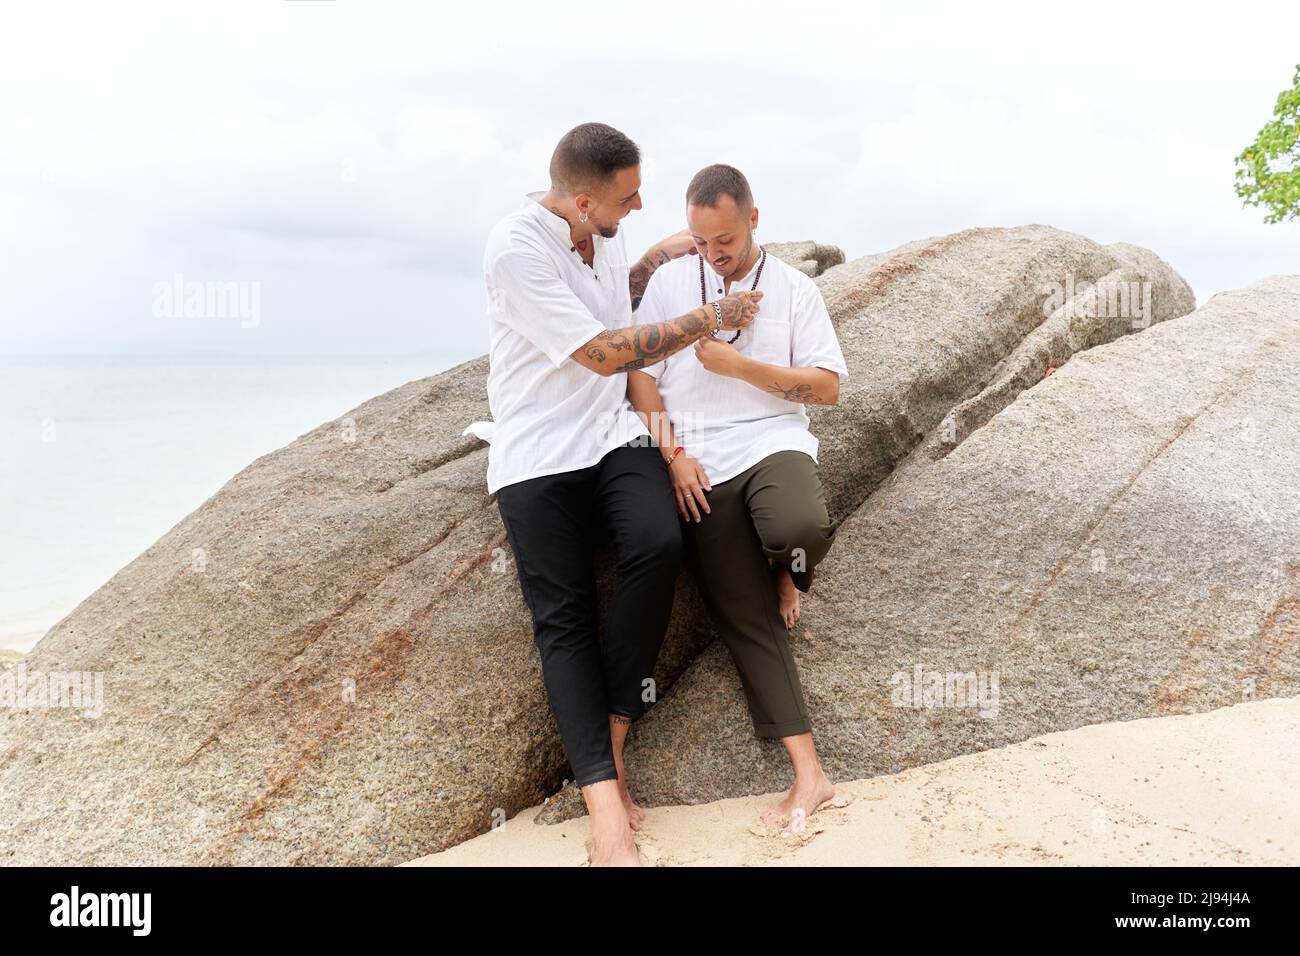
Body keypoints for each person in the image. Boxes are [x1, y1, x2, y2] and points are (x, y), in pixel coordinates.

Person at [483, 125, 764, 865]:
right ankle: (605, 805)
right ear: (582, 201)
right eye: (628, 198)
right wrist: (703, 320)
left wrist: (656, 257)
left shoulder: (600, 235)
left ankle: (610, 730)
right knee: (564, 616)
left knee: (659, 543)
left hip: (612, 433)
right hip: (537, 449)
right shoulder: (516, 249)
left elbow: (614, 297)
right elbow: (605, 350)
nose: (639, 205)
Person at [623, 163, 847, 833]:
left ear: (753, 219)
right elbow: (640, 379)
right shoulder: (670, 283)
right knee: (743, 615)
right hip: (699, 461)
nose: (712, 254)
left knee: (800, 525)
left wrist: (739, 365)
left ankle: (788, 566)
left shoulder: (793, 290)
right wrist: (673, 457)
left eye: (723, 240)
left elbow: (828, 387)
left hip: (772, 441)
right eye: (700, 241)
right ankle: (810, 775)